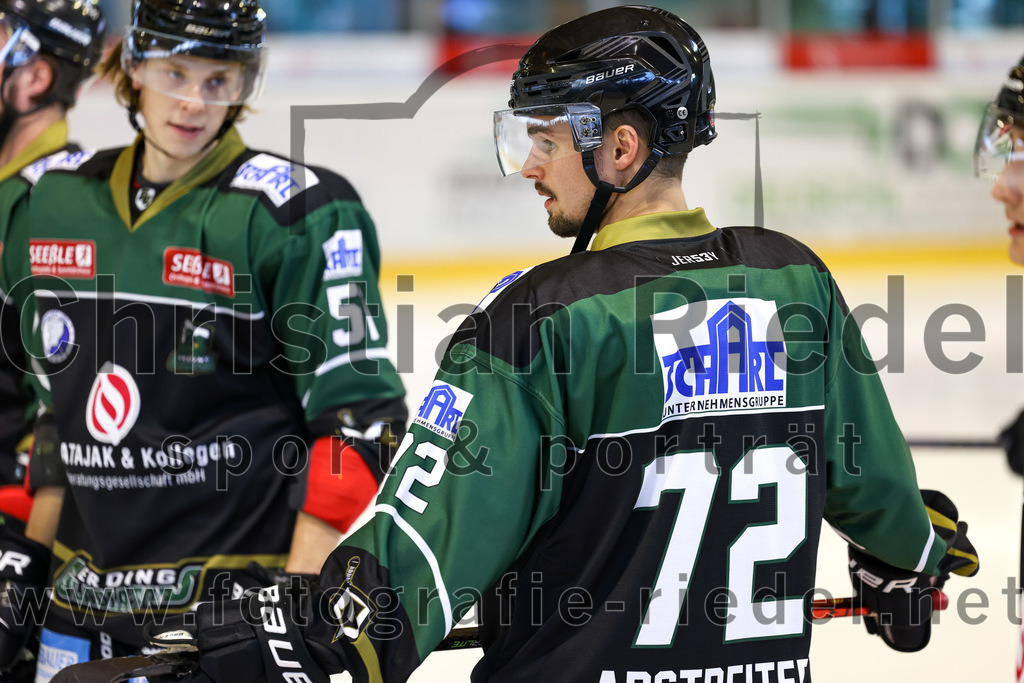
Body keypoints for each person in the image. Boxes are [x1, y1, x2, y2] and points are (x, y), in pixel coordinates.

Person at [148, 6, 978, 682]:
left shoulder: (543, 318)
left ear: (619, 148)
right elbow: (880, 497)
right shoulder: (795, 281)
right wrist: (913, 560)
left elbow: (421, 559)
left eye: (546, 140)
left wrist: (318, 631)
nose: (530, 166)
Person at [0, 0, 407, 679]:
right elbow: (51, 415)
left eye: (220, 80)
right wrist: (22, 569)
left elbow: (360, 421)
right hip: (75, 611)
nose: (193, 102)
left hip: (225, 617)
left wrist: (297, 604)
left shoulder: (298, 212)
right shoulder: (51, 203)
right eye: (175, 72)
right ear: (133, 69)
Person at [0, 0, 105, 678]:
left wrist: (21, 583)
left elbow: (75, 419)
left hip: (22, 538)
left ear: (33, 76)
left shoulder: (49, 208)